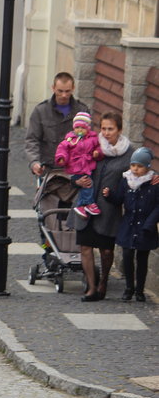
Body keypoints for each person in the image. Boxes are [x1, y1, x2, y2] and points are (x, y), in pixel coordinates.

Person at [66, 112, 132, 302]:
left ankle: (103, 282)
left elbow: (139, 173)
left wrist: (152, 178)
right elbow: (74, 166)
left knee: (106, 250)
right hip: (85, 205)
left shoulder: (129, 153)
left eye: (110, 129)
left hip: (108, 209)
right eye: (103, 128)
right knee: (85, 247)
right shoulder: (90, 144)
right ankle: (91, 287)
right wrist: (77, 182)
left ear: (119, 129)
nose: (106, 132)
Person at [103, 147, 158, 302]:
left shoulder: (154, 183)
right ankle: (129, 287)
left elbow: (157, 206)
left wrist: (150, 223)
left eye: (139, 166)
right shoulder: (126, 180)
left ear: (147, 166)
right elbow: (119, 198)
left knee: (142, 258)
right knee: (127, 255)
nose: (135, 169)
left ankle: (139, 290)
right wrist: (109, 196)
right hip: (128, 225)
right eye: (133, 165)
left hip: (145, 227)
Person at [24, 72, 89, 178]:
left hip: (74, 170)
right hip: (48, 169)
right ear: (53, 88)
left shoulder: (82, 110)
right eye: (60, 91)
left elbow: (89, 139)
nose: (64, 95)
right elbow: (31, 140)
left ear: (73, 88)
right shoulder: (41, 111)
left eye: (67, 91)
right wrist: (34, 162)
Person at [55, 112, 104, 218]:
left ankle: (83, 205)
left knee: (86, 185)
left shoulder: (93, 138)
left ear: (88, 128)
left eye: (82, 128)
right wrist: (62, 158)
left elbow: (98, 148)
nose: (79, 130)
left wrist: (97, 153)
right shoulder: (70, 139)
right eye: (77, 128)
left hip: (87, 166)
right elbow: (62, 148)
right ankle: (87, 204)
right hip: (76, 167)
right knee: (87, 184)